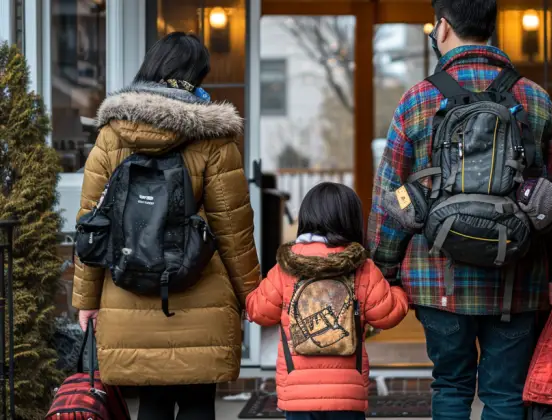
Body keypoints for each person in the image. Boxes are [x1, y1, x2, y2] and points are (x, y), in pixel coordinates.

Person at [366, 1, 552, 419]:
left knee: (450, 386)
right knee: (504, 393)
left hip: (437, 278)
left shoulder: (418, 99)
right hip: (518, 277)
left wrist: (383, 272)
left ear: (442, 27)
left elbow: (391, 198)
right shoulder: (534, 98)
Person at [72, 32, 260, 419]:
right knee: (197, 403)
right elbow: (233, 230)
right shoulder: (215, 139)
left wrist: (86, 301)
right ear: (194, 77)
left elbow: (91, 225)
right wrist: (252, 295)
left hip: (128, 289)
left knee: (152, 403)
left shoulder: (110, 135)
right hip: (200, 290)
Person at [246, 182, 409, 420]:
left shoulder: (286, 268)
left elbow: (259, 311)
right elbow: (388, 314)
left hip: (297, 395)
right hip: (347, 395)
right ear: (352, 220)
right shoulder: (362, 268)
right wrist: (399, 290)